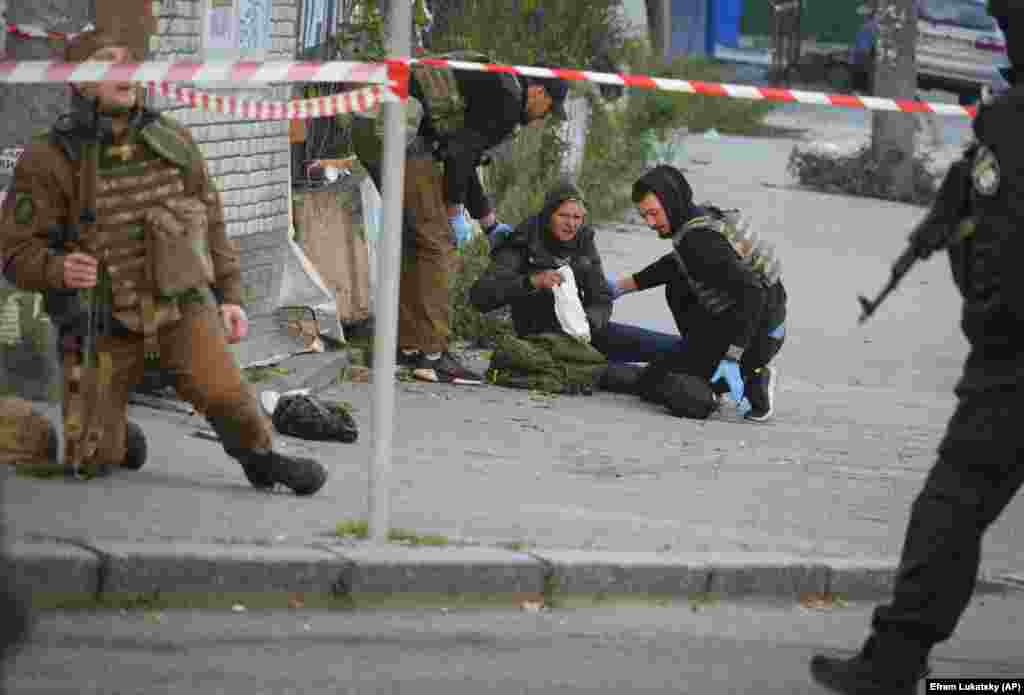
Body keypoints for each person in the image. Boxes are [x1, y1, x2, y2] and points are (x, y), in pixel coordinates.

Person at [0, 30, 327, 495]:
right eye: (106, 60)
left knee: (228, 397)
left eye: (127, 58)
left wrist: (230, 298)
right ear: (79, 81)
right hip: (100, 320)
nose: (122, 69)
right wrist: (57, 270)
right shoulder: (49, 159)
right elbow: (14, 251)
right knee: (91, 460)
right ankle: (115, 433)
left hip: (180, 307)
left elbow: (212, 222)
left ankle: (262, 459)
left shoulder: (172, 141)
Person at [809, 2, 1024, 692]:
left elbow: (999, 250)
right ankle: (894, 657)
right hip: (1006, 357)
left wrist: (988, 312)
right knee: (951, 506)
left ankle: (896, 659)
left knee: (951, 504)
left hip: (1012, 360)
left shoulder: (1013, 126)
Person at [351, 51, 568, 385]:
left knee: (417, 238)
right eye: (549, 110)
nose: (543, 119)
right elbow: (459, 154)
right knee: (438, 244)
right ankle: (432, 354)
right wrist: (453, 212)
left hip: (370, 122)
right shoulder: (508, 102)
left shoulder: (496, 82)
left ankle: (407, 347)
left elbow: (464, 156)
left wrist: (488, 222)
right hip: (397, 129)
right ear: (538, 92)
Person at [613, 165, 787, 422]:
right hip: (768, 323)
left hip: (755, 335)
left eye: (654, 213)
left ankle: (750, 376)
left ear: (672, 202)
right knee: (678, 284)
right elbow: (677, 263)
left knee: (658, 385)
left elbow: (753, 294)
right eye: (644, 215)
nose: (650, 223)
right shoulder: (699, 219)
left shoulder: (700, 243)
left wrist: (732, 357)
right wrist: (620, 287)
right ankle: (711, 361)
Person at [468, 182, 611, 394]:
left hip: (581, 334)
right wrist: (531, 282)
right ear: (548, 214)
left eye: (577, 218)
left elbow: (602, 297)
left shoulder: (583, 241)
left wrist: (589, 322)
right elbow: (480, 296)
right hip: (541, 340)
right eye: (564, 216)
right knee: (616, 373)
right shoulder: (523, 241)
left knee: (658, 347)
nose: (571, 224)